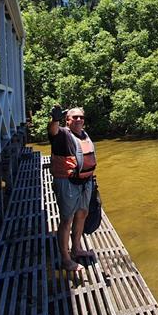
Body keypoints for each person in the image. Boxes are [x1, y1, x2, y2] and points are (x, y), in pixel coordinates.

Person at [48, 105, 97, 271]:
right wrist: (54, 119)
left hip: (85, 182)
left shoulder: (84, 134)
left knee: (82, 214)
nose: (78, 120)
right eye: (74, 117)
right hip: (67, 182)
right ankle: (66, 258)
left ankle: (76, 248)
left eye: (81, 117)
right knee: (67, 219)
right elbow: (52, 130)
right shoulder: (62, 134)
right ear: (67, 120)